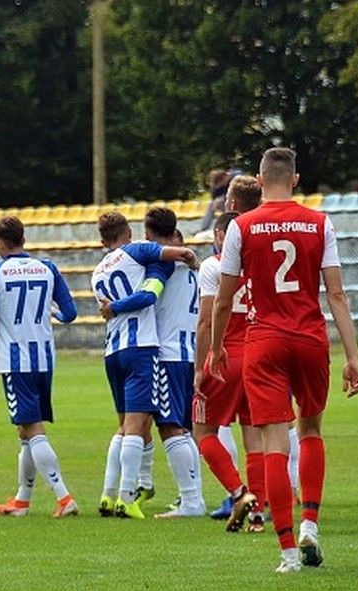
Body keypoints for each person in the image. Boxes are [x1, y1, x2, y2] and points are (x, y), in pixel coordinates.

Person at [210, 147, 358, 573]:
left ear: (259, 183)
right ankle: (310, 523)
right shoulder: (320, 223)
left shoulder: (241, 225)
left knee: (274, 443)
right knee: (310, 429)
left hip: (264, 341)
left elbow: (224, 299)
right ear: (295, 180)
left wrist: (217, 346)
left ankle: (287, 553)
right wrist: (352, 356)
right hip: (310, 338)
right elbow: (336, 294)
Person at [92, 211, 199, 520]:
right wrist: (191, 257)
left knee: (137, 426)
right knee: (171, 428)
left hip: (119, 350)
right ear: (129, 231)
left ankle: (114, 493)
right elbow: (150, 293)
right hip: (166, 350)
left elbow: (149, 294)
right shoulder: (154, 259)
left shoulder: (98, 270)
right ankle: (150, 495)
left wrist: (114, 308)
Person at [0, 216, 80, 519]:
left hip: (15, 358)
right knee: (25, 429)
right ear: (22, 238)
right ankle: (22, 501)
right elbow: (71, 313)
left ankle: (64, 497)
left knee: (32, 427)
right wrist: (55, 315)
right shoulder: (47, 268)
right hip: (44, 358)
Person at [194, 174, 269, 534]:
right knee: (255, 435)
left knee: (203, 431)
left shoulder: (215, 265)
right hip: (260, 353)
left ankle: (239, 493)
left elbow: (208, 321)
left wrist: (199, 366)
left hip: (226, 355)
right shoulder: (264, 256)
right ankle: (258, 515)